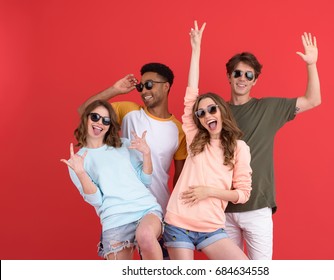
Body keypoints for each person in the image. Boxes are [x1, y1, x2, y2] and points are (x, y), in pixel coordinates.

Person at [223, 33, 321, 259]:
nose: (242, 78)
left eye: (249, 75)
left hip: (257, 207)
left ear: (255, 80)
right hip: (223, 208)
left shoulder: (268, 108)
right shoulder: (215, 111)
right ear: (229, 76)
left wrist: (312, 65)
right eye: (237, 73)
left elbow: (313, 100)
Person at [78, 63, 187, 259]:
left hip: (157, 211)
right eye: (141, 86)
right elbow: (85, 112)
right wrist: (115, 90)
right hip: (121, 211)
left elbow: (180, 178)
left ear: (166, 86)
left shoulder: (178, 129)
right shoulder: (129, 111)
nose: (143, 90)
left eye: (150, 84)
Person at [163, 21, 252, 260]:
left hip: (212, 228)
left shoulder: (239, 148)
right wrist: (196, 50)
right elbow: (191, 93)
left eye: (211, 109)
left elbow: (242, 194)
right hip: (178, 223)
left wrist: (209, 192)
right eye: (201, 113)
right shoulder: (194, 138)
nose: (206, 115)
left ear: (221, 110)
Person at [61, 100, 163, 260]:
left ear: (110, 125)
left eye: (106, 120)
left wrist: (147, 154)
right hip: (114, 218)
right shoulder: (77, 161)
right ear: (86, 118)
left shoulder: (124, 145)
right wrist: (81, 173)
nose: (99, 123)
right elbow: (97, 200)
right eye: (95, 117)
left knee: (146, 236)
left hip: (144, 209)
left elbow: (146, 180)